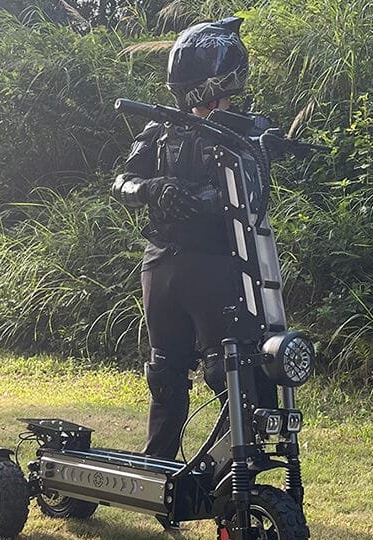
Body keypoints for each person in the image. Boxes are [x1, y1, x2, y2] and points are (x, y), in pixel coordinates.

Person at [112, 17, 274, 473]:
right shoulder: (161, 129)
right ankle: (157, 466)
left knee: (230, 370)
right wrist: (152, 190)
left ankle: (231, 467)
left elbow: (252, 191)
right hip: (162, 259)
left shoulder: (244, 132)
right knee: (164, 371)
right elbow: (122, 180)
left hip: (217, 262)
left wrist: (199, 200)